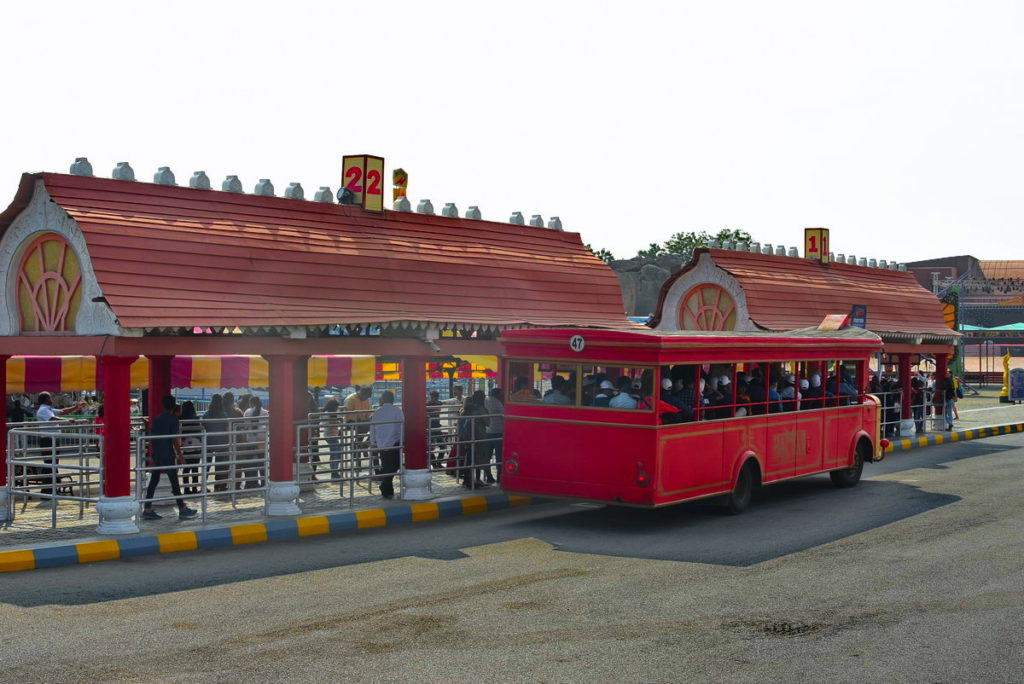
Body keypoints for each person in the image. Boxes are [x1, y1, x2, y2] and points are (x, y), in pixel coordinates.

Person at [142, 395, 197, 520]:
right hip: (167, 454)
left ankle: (147, 508)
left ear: (163, 405)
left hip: (158, 453)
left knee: (154, 480)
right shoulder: (173, 420)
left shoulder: (157, 419)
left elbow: (152, 435)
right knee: (174, 481)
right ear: (174, 406)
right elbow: (175, 440)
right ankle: (182, 508)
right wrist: (180, 455)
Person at [32, 392, 85, 497]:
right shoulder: (43, 410)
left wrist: (75, 407)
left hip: (52, 439)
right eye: (50, 398)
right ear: (46, 399)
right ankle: (47, 490)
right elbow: (52, 419)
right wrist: (67, 421)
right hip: (48, 439)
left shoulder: (48, 409)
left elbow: (62, 411)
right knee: (49, 464)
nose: (52, 399)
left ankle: (53, 488)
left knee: (53, 463)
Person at [369, 390, 404, 499]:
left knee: (387, 465)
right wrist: (403, 439)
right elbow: (401, 426)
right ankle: (385, 486)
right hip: (394, 442)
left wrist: (373, 442)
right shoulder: (397, 410)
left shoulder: (377, 411)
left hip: (380, 442)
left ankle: (387, 490)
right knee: (396, 465)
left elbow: (372, 427)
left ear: (383, 399)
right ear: (393, 399)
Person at [457, 392, 490, 488]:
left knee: (469, 458)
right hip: (479, 436)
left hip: (468, 437)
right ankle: (476, 480)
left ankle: (467, 479)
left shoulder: (468, 408)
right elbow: (488, 422)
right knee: (477, 459)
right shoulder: (481, 409)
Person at [202, 394, 231, 491]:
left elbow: (203, 427)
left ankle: (203, 486)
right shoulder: (224, 415)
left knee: (206, 465)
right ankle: (218, 485)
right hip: (222, 443)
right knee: (220, 465)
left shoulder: (206, 414)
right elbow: (227, 429)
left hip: (209, 443)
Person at [241, 397, 268, 488]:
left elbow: (245, 427)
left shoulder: (247, 412)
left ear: (251, 403)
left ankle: (251, 482)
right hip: (261, 441)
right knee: (262, 462)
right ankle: (264, 482)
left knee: (250, 462)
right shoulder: (265, 412)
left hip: (250, 441)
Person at [179, 401, 204, 494]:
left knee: (186, 468)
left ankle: (186, 488)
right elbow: (200, 431)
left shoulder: (182, 418)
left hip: (186, 444)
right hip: (196, 443)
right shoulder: (196, 418)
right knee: (195, 467)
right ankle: (194, 488)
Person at [482, 387, 504, 483]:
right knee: (499, 456)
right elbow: (504, 417)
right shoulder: (498, 403)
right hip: (497, 431)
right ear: (498, 394)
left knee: (487, 455)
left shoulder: (485, 400)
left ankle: (488, 475)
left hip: (487, 431)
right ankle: (499, 476)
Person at [322, 398, 344, 480]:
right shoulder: (328, 414)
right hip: (330, 435)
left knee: (337, 452)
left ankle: (335, 471)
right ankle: (334, 472)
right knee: (335, 453)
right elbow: (328, 424)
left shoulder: (334, 413)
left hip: (333, 435)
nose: (337, 409)